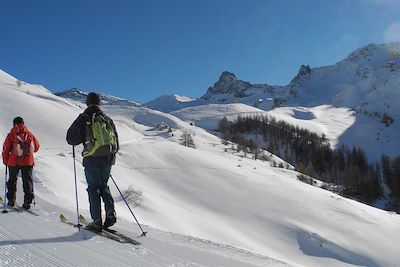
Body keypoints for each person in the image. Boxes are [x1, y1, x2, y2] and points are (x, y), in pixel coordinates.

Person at [66, 92, 119, 231]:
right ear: (100, 103)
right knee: (104, 186)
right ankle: (110, 212)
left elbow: (71, 139)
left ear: (87, 102)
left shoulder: (84, 117)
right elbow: (116, 143)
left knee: (93, 188)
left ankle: (96, 220)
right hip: (108, 158)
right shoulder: (106, 119)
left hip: (91, 159)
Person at [2, 117, 40, 210]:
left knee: (12, 180)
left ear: (14, 124)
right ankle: (27, 202)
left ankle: (11, 201)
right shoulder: (29, 134)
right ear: (23, 123)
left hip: (13, 162)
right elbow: (36, 147)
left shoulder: (11, 135)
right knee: (27, 181)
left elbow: (5, 149)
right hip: (28, 161)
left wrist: (5, 161)